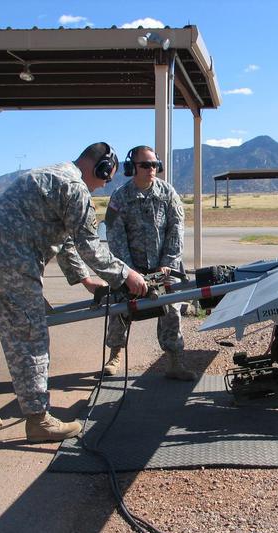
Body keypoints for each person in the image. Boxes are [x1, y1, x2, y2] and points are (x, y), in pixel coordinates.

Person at [0, 142, 149, 442]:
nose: (102, 186)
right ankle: (38, 421)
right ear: (100, 167)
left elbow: (66, 241)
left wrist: (85, 280)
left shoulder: (51, 174)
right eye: (105, 179)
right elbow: (90, 246)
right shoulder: (76, 188)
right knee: (29, 338)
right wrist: (126, 276)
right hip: (12, 260)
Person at [102, 145, 197, 381]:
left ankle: (175, 360)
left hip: (163, 267)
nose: (151, 169)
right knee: (118, 309)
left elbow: (176, 230)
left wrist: (167, 263)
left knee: (172, 309)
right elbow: (115, 237)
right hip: (129, 268)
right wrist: (128, 272)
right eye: (145, 165)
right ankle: (115, 354)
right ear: (132, 167)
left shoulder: (168, 193)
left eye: (154, 164)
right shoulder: (120, 198)